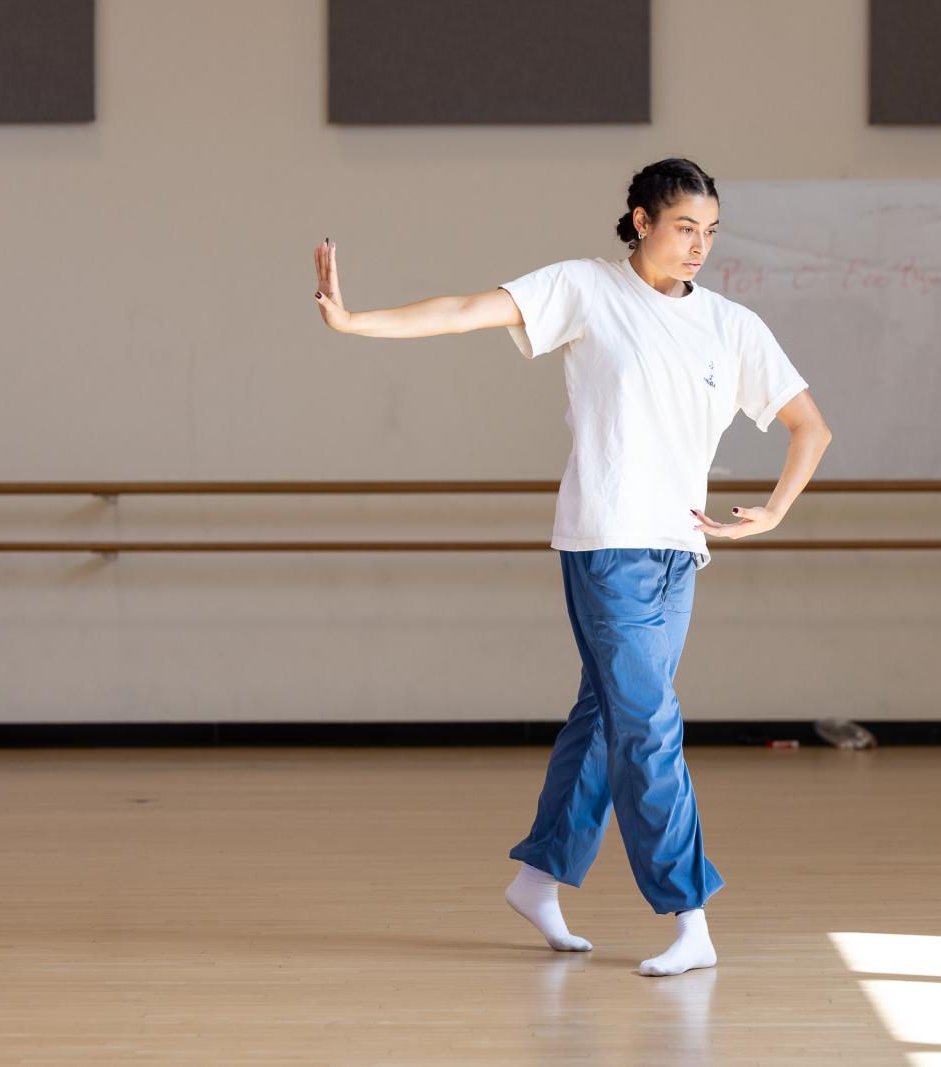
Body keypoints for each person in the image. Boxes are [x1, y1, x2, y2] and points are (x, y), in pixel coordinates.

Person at [312, 158, 832, 976]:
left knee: (609, 716)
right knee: (651, 727)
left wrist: (774, 510)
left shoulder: (732, 325)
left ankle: (540, 874)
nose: (698, 246)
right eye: (683, 226)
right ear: (639, 220)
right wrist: (355, 322)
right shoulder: (585, 288)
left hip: (679, 552)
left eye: (711, 231)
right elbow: (463, 311)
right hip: (606, 543)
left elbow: (811, 427)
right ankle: (688, 911)